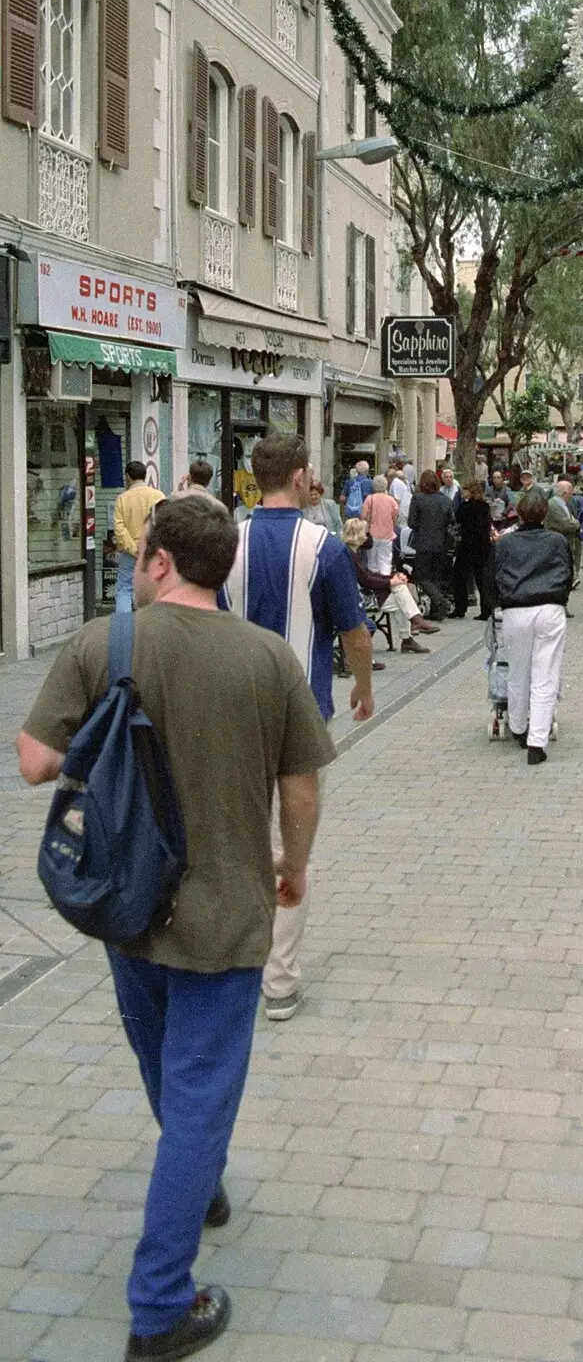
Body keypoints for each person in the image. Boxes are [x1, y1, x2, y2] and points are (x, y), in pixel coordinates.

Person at [16, 495, 335, 1356]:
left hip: (130, 906)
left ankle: (201, 1185)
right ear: (224, 566)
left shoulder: (101, 644)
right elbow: (301, 784)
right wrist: (292, 865)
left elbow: (36, 762)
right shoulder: (267, 659)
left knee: (169, 1072)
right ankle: (159, 1307)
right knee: (199, 1090)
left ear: (159, 561)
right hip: (228, 914)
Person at [220, 434, 374, 1022]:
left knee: (242, 837)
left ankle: (234, 955)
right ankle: (278, 980)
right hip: (301, 711)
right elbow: (355, 632)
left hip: (233, 708)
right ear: (304, 475)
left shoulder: (227, 542)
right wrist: (363, 684)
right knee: (294, 844)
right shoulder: (324, 546)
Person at [492, 488, 572, 765]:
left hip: (516, 609)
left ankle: (517, 726)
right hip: (549, 606)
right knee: (545, 673)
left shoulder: (504, 543)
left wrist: (499, 600)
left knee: (518, 670)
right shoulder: (557, 541)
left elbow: (494, 575)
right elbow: (567, 572)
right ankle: (537, 740)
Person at [343, 518, 439, 652]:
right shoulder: (350, 554)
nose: (367, 536)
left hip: (366, 593)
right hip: (362, 598)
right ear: (358, 535)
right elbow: (366, 580)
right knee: (401, 596)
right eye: (365, 533)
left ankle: (413, 626)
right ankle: (411, 631)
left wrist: (393, 578)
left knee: (400, 592)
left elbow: (368, 574)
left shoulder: (353, 551)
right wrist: (391, 581)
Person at [113, 462, 165, 614]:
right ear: (145, 476)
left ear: (128, 477)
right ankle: (151, 625)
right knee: (154, 587)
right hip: (153, 550)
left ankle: (123, 629)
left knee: (124, 589)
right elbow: (163, 524)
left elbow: (119, 528)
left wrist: (134, 549)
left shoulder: (122, 499)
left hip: (129, 554)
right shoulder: (158, 496)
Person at [407, 469, 455, 620]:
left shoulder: (417, 499)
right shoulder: (446, 500)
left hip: (423, 543)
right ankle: (437, 611)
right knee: (436, 577)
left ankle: (440, 601)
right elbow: (451, 521)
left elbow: (411, 522)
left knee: (421, 576)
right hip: (441, 543)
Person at [452, 480, 493, 620]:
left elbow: (457, 520)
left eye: (465, 490)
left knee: (459, 576)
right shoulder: (485, 506)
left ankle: (460, 607)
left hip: (468, 545)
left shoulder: (464, 507)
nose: (462, 492)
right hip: (483, 546)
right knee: (481, 578)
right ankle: (486, 609)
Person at [545, 478, 582, 589]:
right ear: (565, 492)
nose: (572, 494)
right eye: (571, 491)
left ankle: (571, 578)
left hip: (565, 538)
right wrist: (577, 524)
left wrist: (573, 522)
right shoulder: (553, 505)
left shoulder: (563, 504)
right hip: (558, 538)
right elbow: (566, 524)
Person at [361, 473, 400, 576]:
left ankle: (374, 583)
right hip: (387, 534)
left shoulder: (369, 499)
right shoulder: (391, 500)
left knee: (372, 561)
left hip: (372, 534)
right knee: (386, 560)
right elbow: (395, 517)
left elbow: (363, 516)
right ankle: (385, 582)